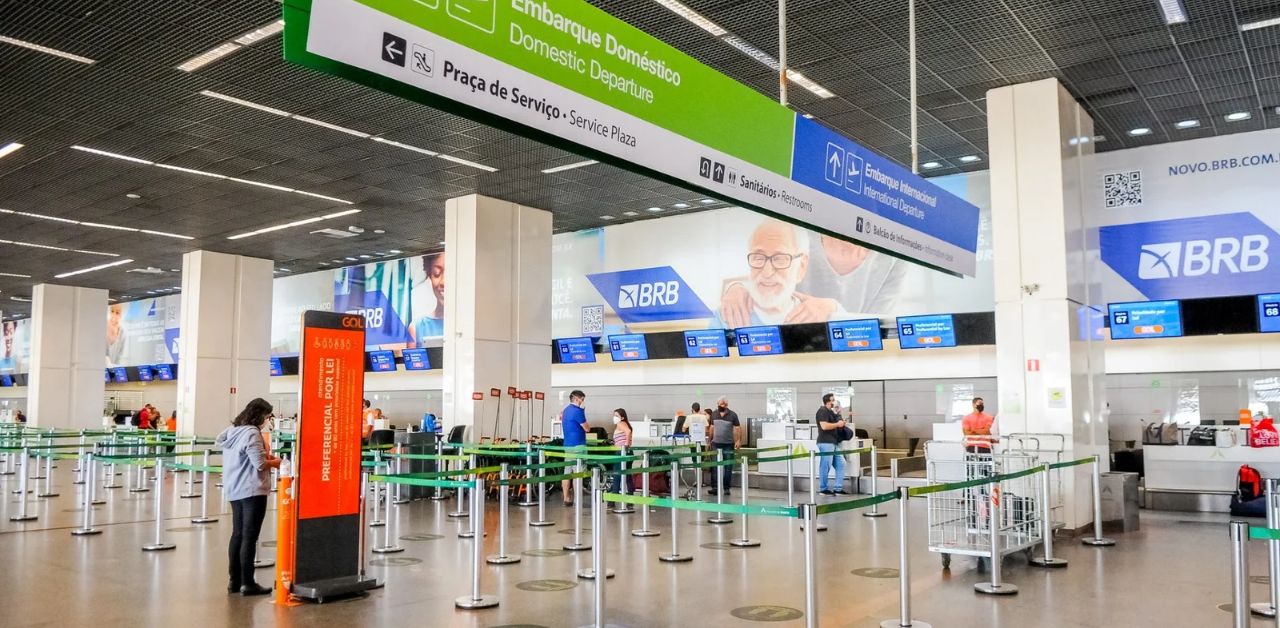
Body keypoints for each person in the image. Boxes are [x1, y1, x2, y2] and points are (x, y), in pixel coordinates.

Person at [721, 230, 906, 326]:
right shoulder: (801, 237)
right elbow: (763, 271)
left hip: (851, 357)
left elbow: (878, 326)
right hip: (793, 350)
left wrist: (833, 310)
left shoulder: (893, 259)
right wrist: (736, 288)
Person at [215, 398, 281, 596]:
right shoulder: (252, 433)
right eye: (268, 416)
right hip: (252, 489)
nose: (268, 420)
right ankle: (248, 582)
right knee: (249, 537)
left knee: (238, 535)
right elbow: (259, 464)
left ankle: (234, 581)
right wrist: (276, 462)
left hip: (235, 488)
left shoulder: (232, 432)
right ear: (260, 414)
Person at [816, 393, 849, 495]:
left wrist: (839, 415)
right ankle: (823, 488)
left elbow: (837, 423)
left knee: (841, 463)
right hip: (825, 442)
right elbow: (824, 426)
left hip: (833, 442)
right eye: (833, 400)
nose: (834, 401)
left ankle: (838, 488)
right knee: (825, 465)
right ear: (828, 401)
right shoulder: (822, 411)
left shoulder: (830, 412)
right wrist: (837, 424)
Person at [560, 390, 589, 506]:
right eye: (582, 399)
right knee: (578, 473)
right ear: (577, 399)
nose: (582, 402)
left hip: (567, 445)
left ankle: (566, 498)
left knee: (567, 473)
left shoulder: (565, 410)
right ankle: (578, 500)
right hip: (578, 445)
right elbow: (587, 428)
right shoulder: (578, 411)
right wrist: (583, 412)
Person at [708, 396, 741, 496]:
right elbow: (711, 428)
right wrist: (709, 441)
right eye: (718, 404)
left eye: (722, 404)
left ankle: (726, 488)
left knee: (728, 466)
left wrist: (738, 441)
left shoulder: (733, 415)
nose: (720, 406)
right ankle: (715, 487)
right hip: (715, 444)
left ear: (726, 405)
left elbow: (738, 428)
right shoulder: (714, 414)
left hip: (728, 445)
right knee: (714, 466)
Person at [410, 253, 446, 344]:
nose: (443, 282)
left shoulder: (473, 326)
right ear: (429, 275)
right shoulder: (417, 327)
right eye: (436, 273)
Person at [610, 408, 633, 494]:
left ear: (622, 417)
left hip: (622, 452)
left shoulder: (620, 424)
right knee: (627, 475)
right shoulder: (625, 424)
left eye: (616, 416)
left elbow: (628, 432)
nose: (614, 417)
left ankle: (612, 499)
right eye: (614, 415)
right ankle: (630, 497)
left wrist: (625, 445)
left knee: (617, 475)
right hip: (628, 452)